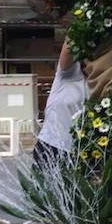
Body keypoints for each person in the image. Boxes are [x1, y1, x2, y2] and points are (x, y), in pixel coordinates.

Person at [33, 39, 87, 170]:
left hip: (81, 152)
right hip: (52, 146)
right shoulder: (68, 73)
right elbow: (71, 41)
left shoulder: (100, 81)